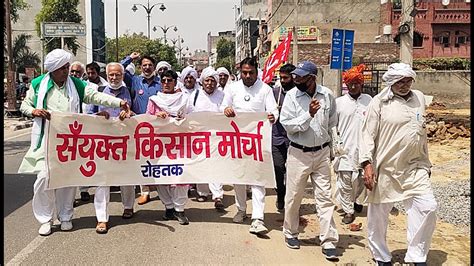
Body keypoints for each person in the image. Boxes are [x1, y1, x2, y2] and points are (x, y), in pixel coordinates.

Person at [18, 49, 131, 236]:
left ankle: (65, 216)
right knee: (44, 178)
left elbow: (96, 96)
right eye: (62, 68)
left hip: (71, 141)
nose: (66, 71)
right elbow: (25, 105)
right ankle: (45, 219)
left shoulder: (77, 84)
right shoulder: (39, 84)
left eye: (67, 67)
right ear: (53, 69)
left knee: (67, 180)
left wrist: (117, 103)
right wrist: (34, 112)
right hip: (47, 140)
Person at [359, 63, 437, 266]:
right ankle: (381, 256)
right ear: (391, 81)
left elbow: (420, 131)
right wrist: (367, 164)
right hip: (386, 168)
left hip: (415, 167)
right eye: (400, 81)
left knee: (428, 207)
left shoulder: (419, 98)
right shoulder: (379, 103)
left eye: (408, 80)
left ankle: (417, 256)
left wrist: (426, 162)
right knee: (379, 215)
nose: (404, 85)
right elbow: (367, 135)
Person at [279, 61, 338, 260]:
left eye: (301, 77)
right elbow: (288, 125)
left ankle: (328, 240)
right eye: (295, 76)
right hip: (298, 153)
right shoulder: (291, 97)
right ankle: (291, 232)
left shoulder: (327, 95)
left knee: (325, 198)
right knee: (294, 196)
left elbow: (332, 122)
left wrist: (331, 148)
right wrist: (308, 115)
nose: (296, 80)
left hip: (321, 153)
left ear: (312, 78)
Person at [222, 57, 278, 235]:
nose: (247, 76)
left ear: (256, 72)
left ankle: (258, 217)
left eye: (251, 73)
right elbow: (224, 106)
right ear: (240, 72)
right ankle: (241, 209)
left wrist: (272, 116)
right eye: (244, 73)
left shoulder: (265, 89)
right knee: (239, 177)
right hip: (237, 141)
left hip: (257, 141)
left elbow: (274, 110)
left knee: (257, 179)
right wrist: (226, 110)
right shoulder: (232, 88)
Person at [93, 62, 136, 234]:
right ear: (107, 75)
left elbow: (139, 114)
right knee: (102, 180)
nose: (114, 77)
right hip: (103, 143)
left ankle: (128, 206)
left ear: (123, 75)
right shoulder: (98, 93)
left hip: (125, 141)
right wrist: (98, 115)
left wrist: (130, 114)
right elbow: (88, 114)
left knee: (126, 177)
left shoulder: (129, 91)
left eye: (118, 74)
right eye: (111, 74)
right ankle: (102, 218)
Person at [146, 69, 190, 225]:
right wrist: (156, 117)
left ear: (175, 82)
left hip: (179, 144)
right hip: (159, 145)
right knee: (161, 176)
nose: (166, 83)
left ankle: (180, 209)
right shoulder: (154, 100)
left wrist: (180, 119)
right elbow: (147, 120)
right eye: (163, 80)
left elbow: (193, 118)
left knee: (181, 176)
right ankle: (169, 207)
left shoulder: (184, 99)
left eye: (169, 80)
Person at [121, 52, 162, 205]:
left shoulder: (161, 82)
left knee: (159, 156)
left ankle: (162, 188)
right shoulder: (135, 81)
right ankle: (145, 191)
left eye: (150, 65)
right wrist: (130, 58)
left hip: (158, 126)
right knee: (142, 158)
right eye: (144, 65)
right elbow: (120, 69)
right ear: (140, 67)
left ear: (154, 67)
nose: (147, 67)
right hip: (138, 125)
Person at [333, 64, 372, 224]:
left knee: (362, 180)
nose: (353, 86)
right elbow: (333, 127)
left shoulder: (369, 101)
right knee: (345, 182)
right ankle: (348, 211)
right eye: (350, 83)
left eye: (356, 83)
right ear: (346, 84)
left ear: (361, 83)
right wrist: (334, 147)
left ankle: (357, 201)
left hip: (365, 148)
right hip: (345, 149)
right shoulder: (339, 103)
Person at [186, 66, 225, 210]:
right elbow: (188, 113)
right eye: (207, 80)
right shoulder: (195, 96)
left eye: (212, 81)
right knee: (202, 164)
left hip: (217, 136)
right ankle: (202, 192)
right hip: (199, 136)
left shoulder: (222, 95)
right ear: (202, 81)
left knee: (216, 165)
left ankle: (217, 196)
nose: (209, 84)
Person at [271, 63, 295, 212]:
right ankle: (281, 194)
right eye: (281, 78)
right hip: (276, 138)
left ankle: (291, 200)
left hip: (294, 140)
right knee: (278, 169)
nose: (283, 80)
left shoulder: (299, 94)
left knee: (293, 172)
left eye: (286, 78)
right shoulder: (275, 93)